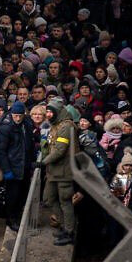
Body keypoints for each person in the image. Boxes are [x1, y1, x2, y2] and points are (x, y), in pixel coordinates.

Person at [41, 98, 77, 246]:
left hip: (64, 171)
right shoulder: (55, 125)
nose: (48, 114)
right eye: (47, 111)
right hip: (53, 171)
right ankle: (64, 225)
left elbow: (60, 150)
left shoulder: (66, 126)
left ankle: (69, 232)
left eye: (51, 111)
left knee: (65, 201)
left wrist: (42, 162)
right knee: (48, 199)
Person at [0, 100, 32, 231]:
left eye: (19, 115)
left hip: (24, 165)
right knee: (12, 195)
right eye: (15, 115)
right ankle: (11, 219)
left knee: (22, 194)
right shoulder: (6, 127)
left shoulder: (26, 125)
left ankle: (18, 216)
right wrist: (7, 170)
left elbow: (29, 145)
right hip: (13, 166)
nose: (17, 118)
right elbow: (1, 151)